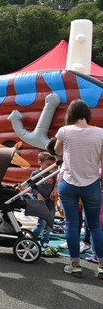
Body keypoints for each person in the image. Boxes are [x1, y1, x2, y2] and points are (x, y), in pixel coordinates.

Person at [53, 99, 103, 279]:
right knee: (95, 225)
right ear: (87, 114)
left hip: (69, 183)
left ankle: (74, 264)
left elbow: (57, 152)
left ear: (70, 115)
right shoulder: (100, 133)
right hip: (91, 184)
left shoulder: (64, 131)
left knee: (72, 224)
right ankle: (102, 266)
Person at [29, 151, 58, 253]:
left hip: (49, 200)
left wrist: (54, 191)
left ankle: (45, 240)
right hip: (40, 200)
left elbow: (55, 184)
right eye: (48, 165)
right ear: (40, 162)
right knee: (41, 222)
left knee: (50, 222)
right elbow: (31, 185)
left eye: (52, 165)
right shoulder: (36, 173)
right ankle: (32, 239)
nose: (50, 167)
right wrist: (37, 194)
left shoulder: (52, 174)